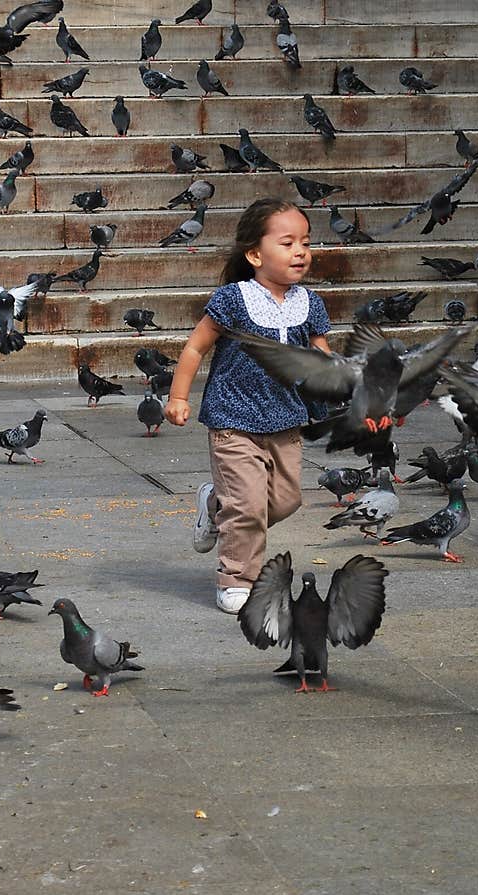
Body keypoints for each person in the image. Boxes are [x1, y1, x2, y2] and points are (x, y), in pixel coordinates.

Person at [165, 197, 332, 613]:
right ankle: (237, 578)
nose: (300, 252)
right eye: (288, 243)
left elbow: (322, 357)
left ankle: (213, 505)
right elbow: (194, 348)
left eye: (305, 243)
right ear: (255, 254)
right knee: (248, 507)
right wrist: (178, 397)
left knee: (285, 500)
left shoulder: (309, 303)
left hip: (286, 420)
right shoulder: (234, 299)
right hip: (233, 418)